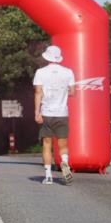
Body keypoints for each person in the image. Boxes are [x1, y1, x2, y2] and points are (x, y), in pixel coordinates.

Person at [33, 44, 76, 185]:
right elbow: (73, 92)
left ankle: (48, 176)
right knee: (63, 144)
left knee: (47, 144)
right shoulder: (68, 72)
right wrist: (62, 92)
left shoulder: (40, 72)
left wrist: (37, 112)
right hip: (62, 113)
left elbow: (38, 93)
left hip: (46, 112)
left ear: (47, 57)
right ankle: (64, 163)